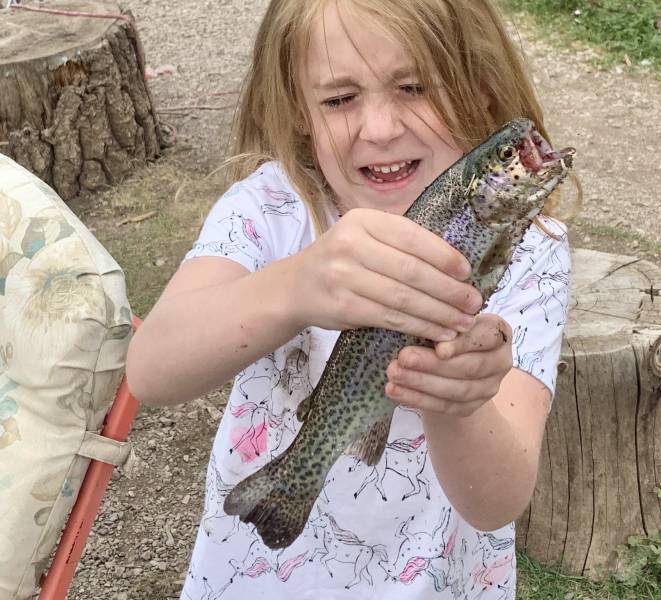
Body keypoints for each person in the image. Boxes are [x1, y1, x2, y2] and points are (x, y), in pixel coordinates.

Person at [126, 0, 575, 597]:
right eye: (340, 99)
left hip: (433, 579)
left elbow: (497, 504)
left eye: (414, 87)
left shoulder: (531, 254)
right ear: (298, 111)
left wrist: (455, 400)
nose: (381, 128)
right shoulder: (269, 211)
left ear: (482, 90)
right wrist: (292, 288)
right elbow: (150, 373)